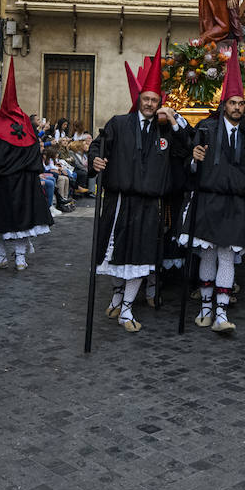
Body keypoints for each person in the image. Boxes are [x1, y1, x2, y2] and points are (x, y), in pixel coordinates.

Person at [88, 46, 189, 333]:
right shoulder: (119, 124)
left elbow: (187, 147)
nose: (149, 103)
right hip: (119, 201)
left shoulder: (166, 131)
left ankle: (127, 309)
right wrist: (94, 160)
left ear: (160, 102)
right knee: (116, 253)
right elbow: (99, 145)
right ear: (139, 99)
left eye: (154, 100)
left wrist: (174, 120)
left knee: (141, 258)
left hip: (149, 205)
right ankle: (118, 295)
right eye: (145, 98)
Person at [181, 45, 245, 335]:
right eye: (233, 103)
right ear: (224, 105)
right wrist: (194, 160)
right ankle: (205, 308)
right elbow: (189, 166)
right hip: (208, 200)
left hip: (235, 205)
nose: (238, 108)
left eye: (241, 104)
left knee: (227, 256)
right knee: (207, 255)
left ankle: (221, 312)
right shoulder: (206, 128)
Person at [0, 61, 52, 270]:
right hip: (26, 181)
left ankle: (0, 255)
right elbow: (36, 151)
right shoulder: (27, 125)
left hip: (2, 180)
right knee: (22, 220)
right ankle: (20, 258)